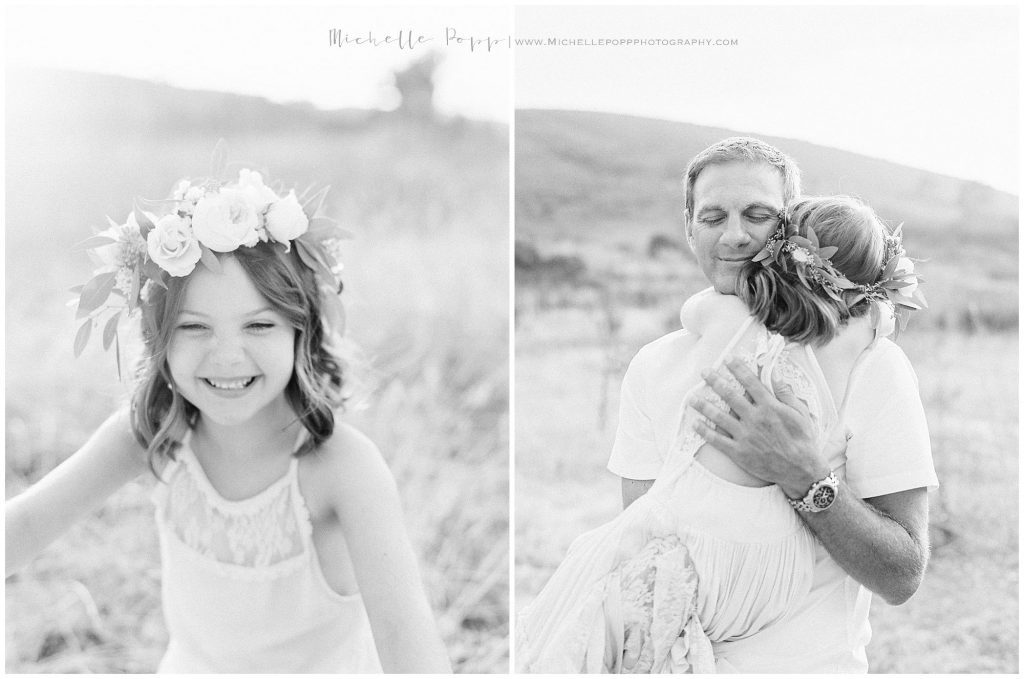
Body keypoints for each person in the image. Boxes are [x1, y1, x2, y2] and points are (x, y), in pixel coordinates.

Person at [5, 167, 452, 673]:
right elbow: (23, 524)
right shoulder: (152, 433)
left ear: (299, 331)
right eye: (194, 327)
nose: (227, 356)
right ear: (159, 340)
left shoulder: (343, 468)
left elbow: (407, 644)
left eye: (259, 324)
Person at [610, 137, 938, 672]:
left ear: (793, 230)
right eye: (713, 216)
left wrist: (804, 476)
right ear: (689, 226)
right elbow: (640, 547)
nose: (735, 235)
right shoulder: (654, 366)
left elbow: (902, 576)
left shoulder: (870, 365)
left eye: (758, 215)